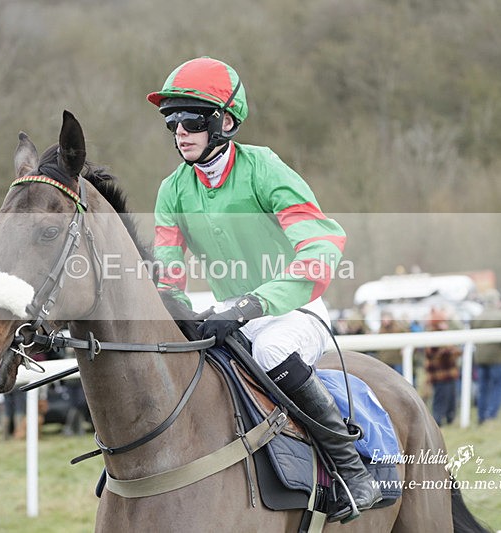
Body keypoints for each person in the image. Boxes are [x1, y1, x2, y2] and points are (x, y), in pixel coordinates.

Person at [148, 57, 381, 521]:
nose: (180, 131)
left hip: (295, 310)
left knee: (272, 350)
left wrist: (254, 302)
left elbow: (323, 246)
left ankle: (351, 470)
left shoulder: (263, 168)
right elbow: (168, 273)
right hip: (231, 314)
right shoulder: (172, 190)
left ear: (226, 121)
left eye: (192, 119)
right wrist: (172, 306)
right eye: (172, 121)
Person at [471, 289, 501, 424]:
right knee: (498, 387)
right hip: (498, 359)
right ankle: (491, 415)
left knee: (483, 388)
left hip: (480, 358)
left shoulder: (478, 317)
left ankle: (481, 415)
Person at [423, 309, 461, 426]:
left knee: (452, 398)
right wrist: (450, 351)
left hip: (449, 373)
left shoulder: (445, 334)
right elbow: (438, 355)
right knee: (440, 400)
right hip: (439, 375)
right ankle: (437, 421)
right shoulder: (432, 336)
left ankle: (450, 419)